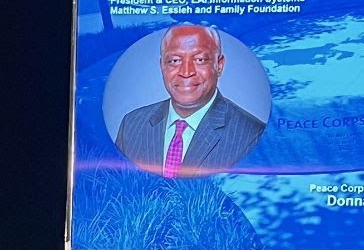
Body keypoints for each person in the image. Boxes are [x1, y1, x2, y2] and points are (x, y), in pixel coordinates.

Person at [114, 24, 266, 178]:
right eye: (174, 61)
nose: (186, 72)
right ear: (162, 66)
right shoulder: (131, 125)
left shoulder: (252, 136)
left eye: (200, 59)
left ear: (219, 65)